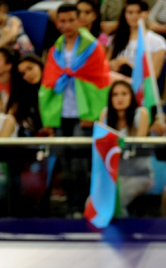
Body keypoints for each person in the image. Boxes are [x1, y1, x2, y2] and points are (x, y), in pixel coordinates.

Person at [39, 3, 110, 216]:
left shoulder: (93, 47)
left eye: (71, 20)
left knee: (81, 164)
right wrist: (49, 119)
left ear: (80, 20)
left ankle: (83, 207)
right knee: (65, 164)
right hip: (61, 114)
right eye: (63, 21)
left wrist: (93, 115)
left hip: (83, 114)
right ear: (57, 23)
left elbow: (101, 82)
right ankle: (71, 207)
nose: (67, 25)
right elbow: (48, 83)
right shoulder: (56, 49)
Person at [100, 80, 153, 215]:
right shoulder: (105, 114)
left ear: (131, 96)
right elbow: (102, 148)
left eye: (124, 94)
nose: (120, 98)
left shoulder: (141, 114)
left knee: (115, 201)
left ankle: (121, 235)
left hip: (139, 175)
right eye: (115, 95)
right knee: (92, 202)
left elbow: (136, 146)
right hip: (113, 176)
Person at [107, 0, 166, 78]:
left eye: (139, 12)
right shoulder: (115, 38)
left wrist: (129, 66)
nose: (134, 16)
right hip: (115, 79)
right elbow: (105, 64)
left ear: (147, 13)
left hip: (140, 84)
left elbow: (154, 75)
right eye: (130, 12)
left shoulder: (158, 41)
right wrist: (113, 63)